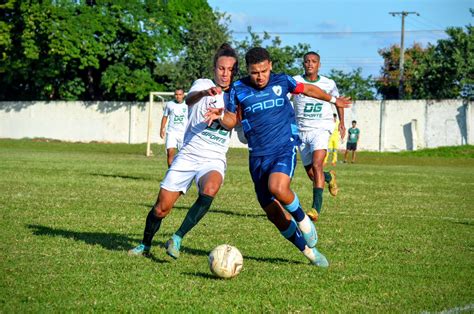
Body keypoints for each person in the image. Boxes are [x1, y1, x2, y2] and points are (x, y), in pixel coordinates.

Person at [206, 47, 351, 267]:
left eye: (264, 71)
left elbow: (309, 90)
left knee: (278, 187)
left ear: (270, 66)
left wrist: (333, 100)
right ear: (248, 70)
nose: (260, 76)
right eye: (255, 72)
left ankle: (304, 221)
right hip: (257, 157)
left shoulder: (282, 81)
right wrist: (219, 117)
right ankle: (309, 253)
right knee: (273, 213)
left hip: (284, 147)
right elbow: (232, 120)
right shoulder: (238, 88)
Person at [128, 43, 239, 259]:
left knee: (211, 188)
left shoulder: (236, 94)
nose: (225, 74)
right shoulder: (203, 84)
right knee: (162, 208)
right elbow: (189, 99)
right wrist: (206, 93)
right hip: (189, 154)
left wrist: (220, 114)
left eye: (230, 70)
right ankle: (145, 245)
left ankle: (177, 237)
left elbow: (233, 120)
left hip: (214, 157)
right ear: (214, 68)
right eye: (221, 68)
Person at [292, 51, 345, 222]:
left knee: (317, 165)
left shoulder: (328, 83)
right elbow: (284, 101)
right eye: (307, 61)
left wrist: (342, 123)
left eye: (314, 61)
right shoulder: (295, 82)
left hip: (321, 129)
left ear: (319, 65)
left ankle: (315, 209)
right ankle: (330, 177)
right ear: (303, 64)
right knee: (312, 174)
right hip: (301, 131)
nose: (310, 64)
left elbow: (337, 102)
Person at [160, 88, 187, 167]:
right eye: (176, 94)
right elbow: (165, 116)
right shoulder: (169, 104)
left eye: (180, 94)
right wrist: (162, 128)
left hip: (183, 133)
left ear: (183, 95)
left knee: (184, 156)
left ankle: (182, 174)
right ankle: (170, 174)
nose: (178, 96)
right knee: (170, 153)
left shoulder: (188, 105)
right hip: (172, 132)